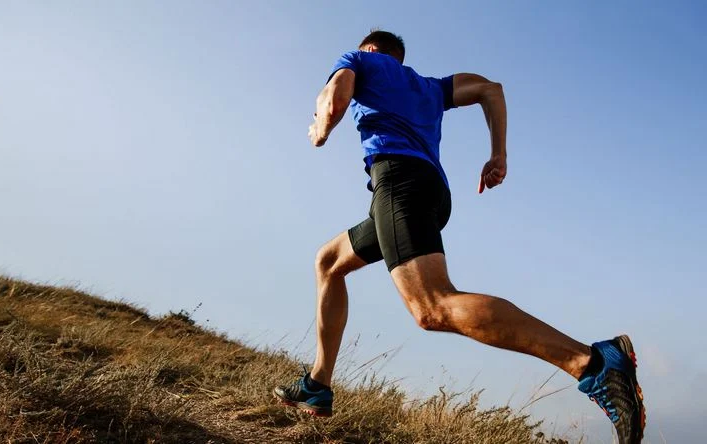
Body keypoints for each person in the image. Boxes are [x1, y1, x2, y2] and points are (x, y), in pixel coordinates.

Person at [273, 30, 646, 443]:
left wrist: (321, 127)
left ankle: (592, 363)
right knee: (329, 262)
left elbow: (334, 100)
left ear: (373, 50)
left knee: (431, 306)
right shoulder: (431, 87)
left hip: (399, 184)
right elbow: (491, 89)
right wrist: (499, 153)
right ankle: (318, 383)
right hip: (430, 192)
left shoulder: (360, 59)